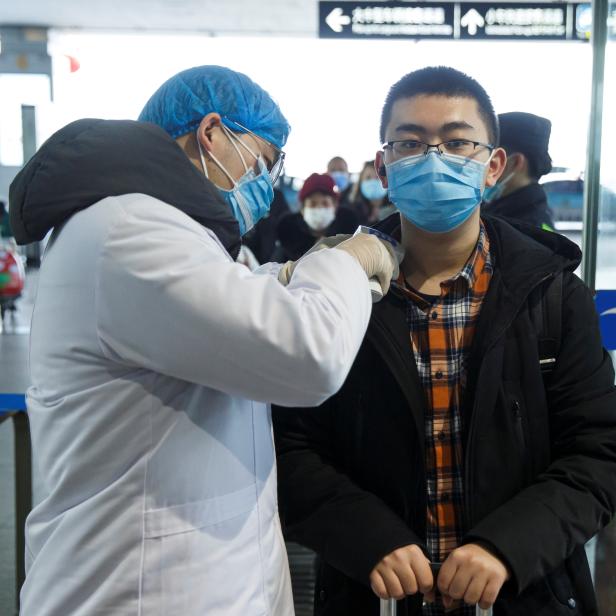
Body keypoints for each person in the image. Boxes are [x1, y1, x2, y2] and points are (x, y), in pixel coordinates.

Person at [10, 65, 398, 616]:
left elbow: (218, 307)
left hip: (193, 576)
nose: (263, 186)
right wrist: (345, 264)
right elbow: (307, 353)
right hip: (137, 589)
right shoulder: (129, 230)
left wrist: (282, 280)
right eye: (262, 163)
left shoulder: (159, 226)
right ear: (212, 133)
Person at [273, 66, 616, 616]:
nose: (433, 158)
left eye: (457, 142)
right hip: (375, 594)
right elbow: (289, 445)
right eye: (410, 143)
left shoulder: (551, 296)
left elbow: (598, 451)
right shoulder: (333, 292)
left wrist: (508, 546)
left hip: (523, 593)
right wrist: (367, 536)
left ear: (493, 166)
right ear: (384, 168)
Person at [482, 112, 555, 230]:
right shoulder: (503, 211)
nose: (486, 168)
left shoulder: (531, 231)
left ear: (515, 162)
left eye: (492, 160)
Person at [274, 172, 359, 262]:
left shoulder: (349, 243)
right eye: (313, 204)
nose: (319, 208)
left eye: (325, 203)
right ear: (302, 209)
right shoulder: (287, 244)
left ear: (335, 207)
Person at [345, 160, 394, 224]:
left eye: (377, 177)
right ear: (360, 182)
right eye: (368, 178)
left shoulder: (397, 210)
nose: (373, 181)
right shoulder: (350, 212)